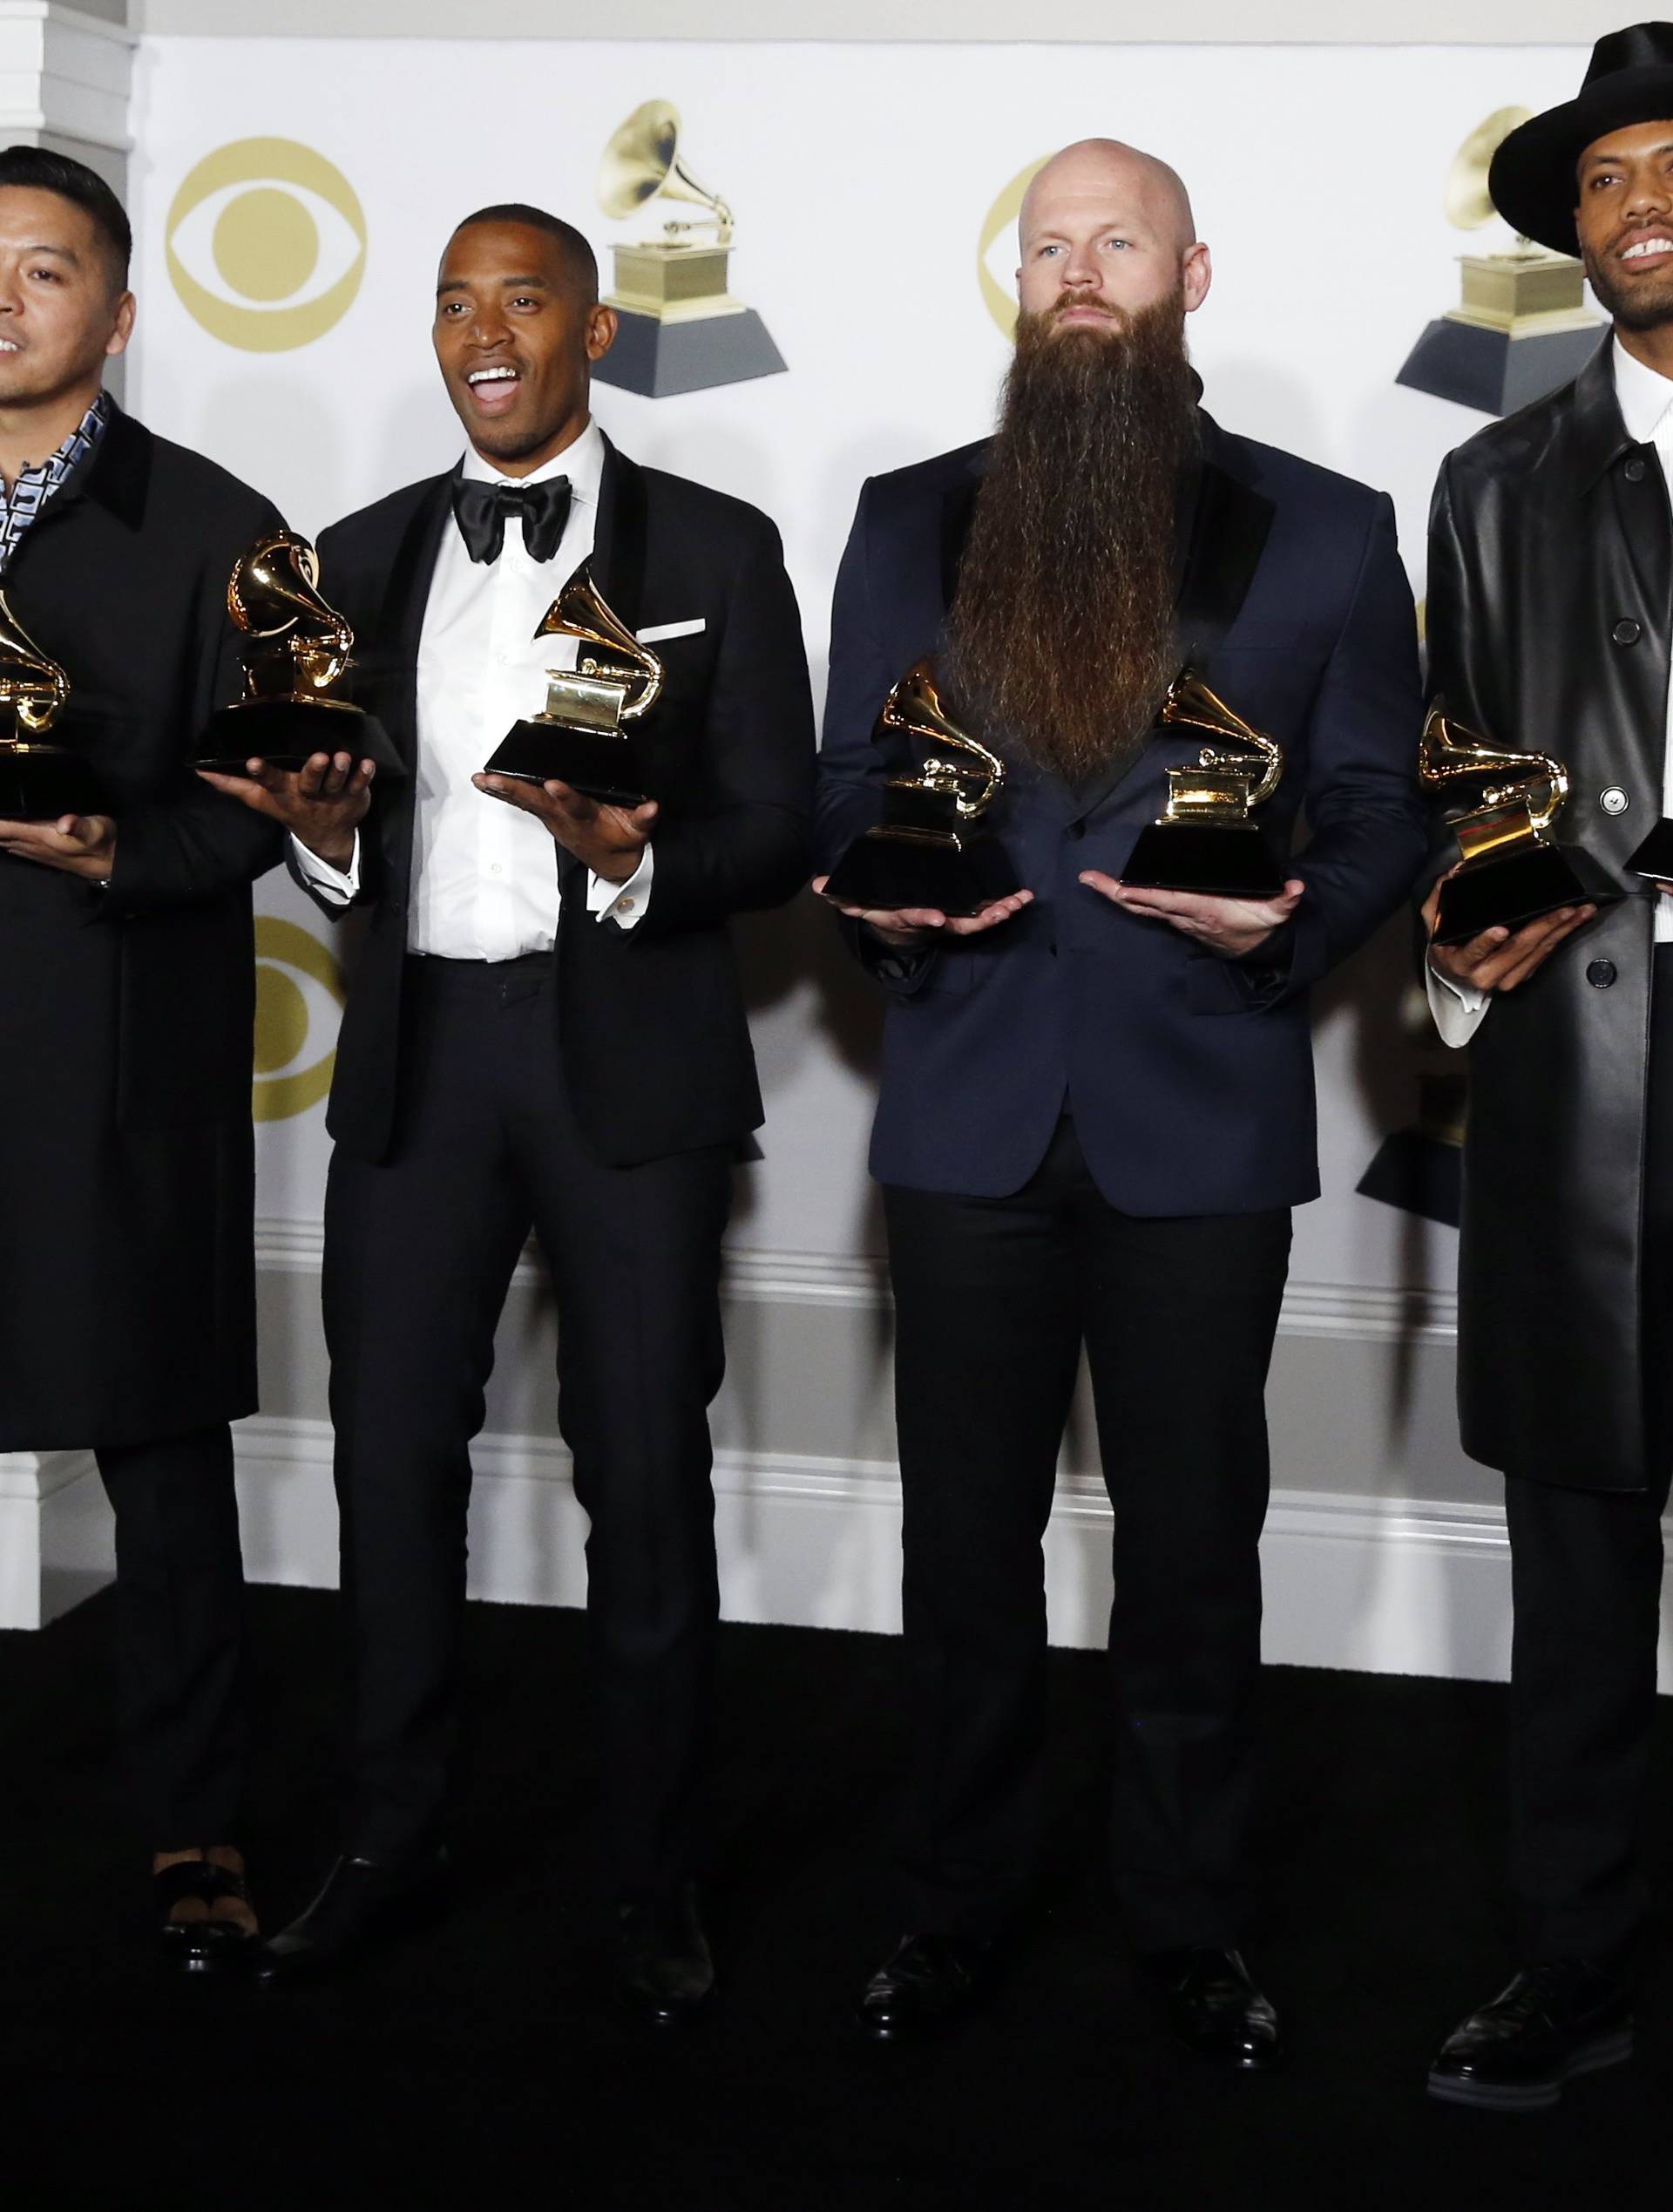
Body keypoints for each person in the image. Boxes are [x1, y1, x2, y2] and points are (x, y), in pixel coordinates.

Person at [816, 138, 1426, 2059]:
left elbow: (1380, 806)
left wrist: (1287, 919)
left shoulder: (1328, 527)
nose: (1083, 275)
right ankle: (958, 1906)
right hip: (968, 1099)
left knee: (1189, 1547)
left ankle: (1191, 1920)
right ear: (1017, 282)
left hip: (1201, 1103)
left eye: (1121, 246)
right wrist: (881, 893)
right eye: (1051, 247)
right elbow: (851, 781)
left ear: (1194, 275)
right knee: (963, 1547)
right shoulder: (907, 517)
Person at [207, 204, 814, 2020]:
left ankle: (654, 1872)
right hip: (419, 1063)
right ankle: (391, 1834)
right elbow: (338, 825)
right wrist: (317, 834)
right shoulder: (360, 551)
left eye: (522, 299)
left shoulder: (717, 543)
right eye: (457, 303)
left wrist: (634, 862)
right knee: (391, 1468)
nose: (485, 332)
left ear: (597, 334)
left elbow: (779, 826)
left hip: (623, 1051)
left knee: (644, 1474)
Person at [1421, 23, 1673, 2113]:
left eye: (1669, 162)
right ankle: (1575, 1964)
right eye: (1600, 178)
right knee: (1581, 1583)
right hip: (1578, 1111)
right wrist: (1449, 935)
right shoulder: (1491, 485)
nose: (1639, 203)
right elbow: (1454, 786)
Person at [0, 147, 281, 1969]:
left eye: (43, 268)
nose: (3, 300)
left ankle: (198, 1829)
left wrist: (122, 854)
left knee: (161, 1452)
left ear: (115, 308)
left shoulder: (219, 525)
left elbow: (270, 808)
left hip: (104, 1043)